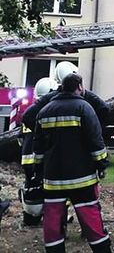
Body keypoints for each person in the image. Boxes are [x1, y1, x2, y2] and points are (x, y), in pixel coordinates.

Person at [33, 73, 110, 253]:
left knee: (52, 222)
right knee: (91, 220)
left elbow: (38, 146)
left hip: (53, 180)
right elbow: (95, 140)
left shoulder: (44, 111)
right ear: (80, 87)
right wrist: (101, 164)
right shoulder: (84, 107)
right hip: (82, 179)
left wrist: (38, 170)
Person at [22, 61, 109, 131]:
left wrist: (42, 134)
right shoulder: (86, 99)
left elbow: (27, 116)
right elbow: (104, 109)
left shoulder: (49, 99)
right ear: (79, 85)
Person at [19, 77, 58, 226]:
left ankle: (30, 218)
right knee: (52, 191)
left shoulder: (30, 113)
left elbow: (20, 138)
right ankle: (57, 220)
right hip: (41, 160)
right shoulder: (46, 114)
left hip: (27, 160)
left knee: (31, 189)